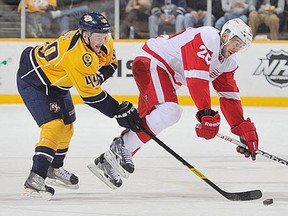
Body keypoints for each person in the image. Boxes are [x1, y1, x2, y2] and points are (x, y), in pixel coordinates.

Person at [88, 18, 259, 189]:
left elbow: (229, 96)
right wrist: (205, 113)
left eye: (241, 45)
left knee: (146, 122)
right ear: (226, 35)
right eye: (236, 42)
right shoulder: (207, 37)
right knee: (170, 112)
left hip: (165, 74)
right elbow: (196, 80)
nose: (236, 48)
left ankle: (108, 162)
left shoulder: (229, 62)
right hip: (152, 61)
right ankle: (121, 147)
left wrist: (242, 128)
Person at [17, 11, 141, 200]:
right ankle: (35, 178)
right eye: (98, 36)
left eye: (105, 35)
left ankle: (54, 167)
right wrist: (117, 110)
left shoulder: (104, 40)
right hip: (35, 80)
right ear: (85, 35)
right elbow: (90, 96)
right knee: (54, 126)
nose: (102, 40)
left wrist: (98, 77)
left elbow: (111, 64)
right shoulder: (76, 55)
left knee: (68, 126)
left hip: (58, 82)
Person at [18, 0, 89, 38]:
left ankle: (63, 34)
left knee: (64, 17)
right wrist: (35, 9)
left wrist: (48, 8)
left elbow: (53, 7)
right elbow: (22, 10)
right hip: (37, 16)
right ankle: (64, 35)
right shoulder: (26, 0)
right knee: (64, 14)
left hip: (48, 15)